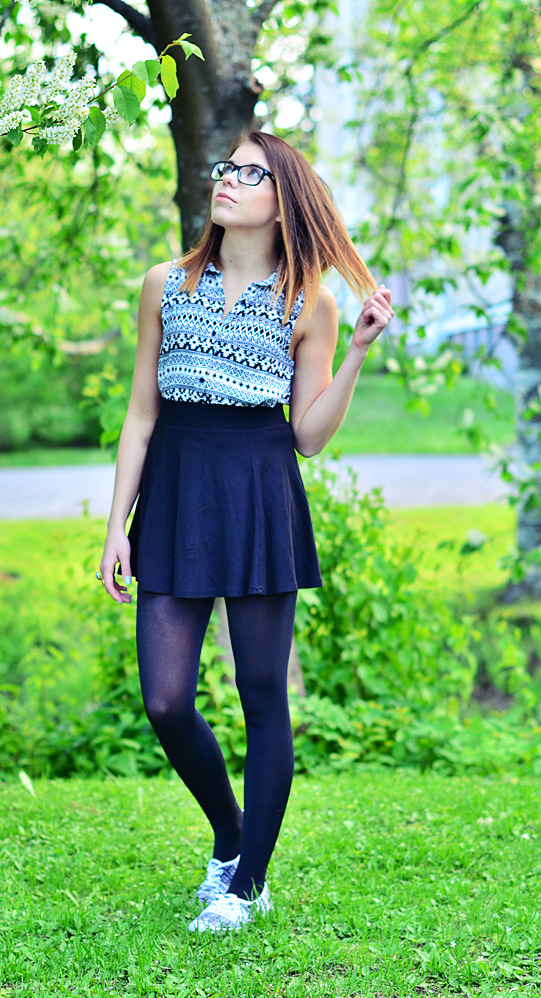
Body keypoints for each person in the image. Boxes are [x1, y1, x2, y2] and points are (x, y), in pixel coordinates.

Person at [98, 131, 394, 934]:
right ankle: (230, 836)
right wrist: (117, 524)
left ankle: (248, 882)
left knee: (263, 695)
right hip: (176, 488)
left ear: (283, 200)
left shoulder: (311, 302)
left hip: (261, 491)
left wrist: (356, 354)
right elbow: (140, 413)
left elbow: (309, 435)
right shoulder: (166, 283)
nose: (228, 180)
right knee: (165, 698)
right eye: (227, 167)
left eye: (251, 173)